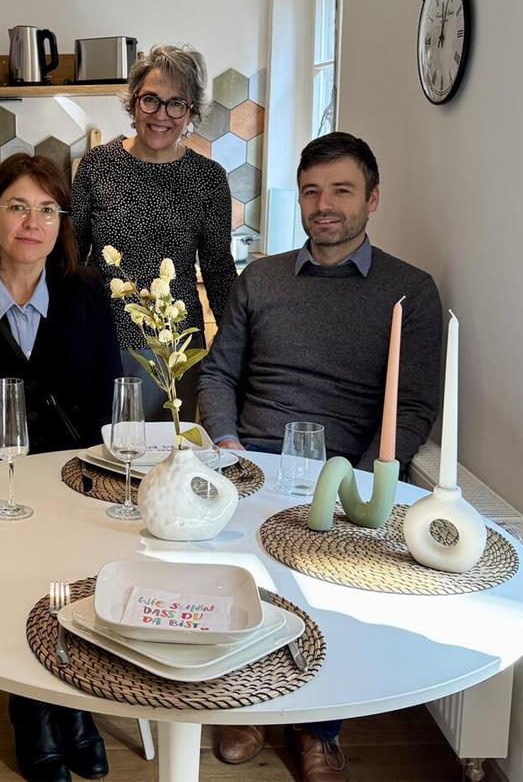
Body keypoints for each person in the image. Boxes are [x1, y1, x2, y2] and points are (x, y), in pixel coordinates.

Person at [198, 132, 444, 781]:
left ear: (373, 198)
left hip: (342, 476)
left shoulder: (410, 292)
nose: (324, 204)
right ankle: (241, 701)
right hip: (252, 460)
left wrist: (364, 478)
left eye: (341, 190)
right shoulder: (263, 278)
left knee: (326, 587)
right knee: (229, 574)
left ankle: (319, 727)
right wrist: (226, 446)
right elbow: (217, 374)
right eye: (312, 191)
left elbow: (415, 405)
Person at [0, 154, 120, 782]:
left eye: (47, 209)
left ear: (62, 223)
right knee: (19, 559)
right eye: (17, 207)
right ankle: (31, 707)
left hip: (75, 483)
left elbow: (107, 402)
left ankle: (74, 705)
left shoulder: (88, 294)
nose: (32, 222)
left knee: (74, 559)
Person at [71, 43, 236, 422]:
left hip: (175, 348)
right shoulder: (97, 165)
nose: (162, 115)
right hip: (103, 340)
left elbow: (218, 270)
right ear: (133, 103)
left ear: (191, 112)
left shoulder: (208, 179)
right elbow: (70, 254)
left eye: (176, 103)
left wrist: (233, 348)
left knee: (166, 462)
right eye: (151, 100)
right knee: (103, 459)